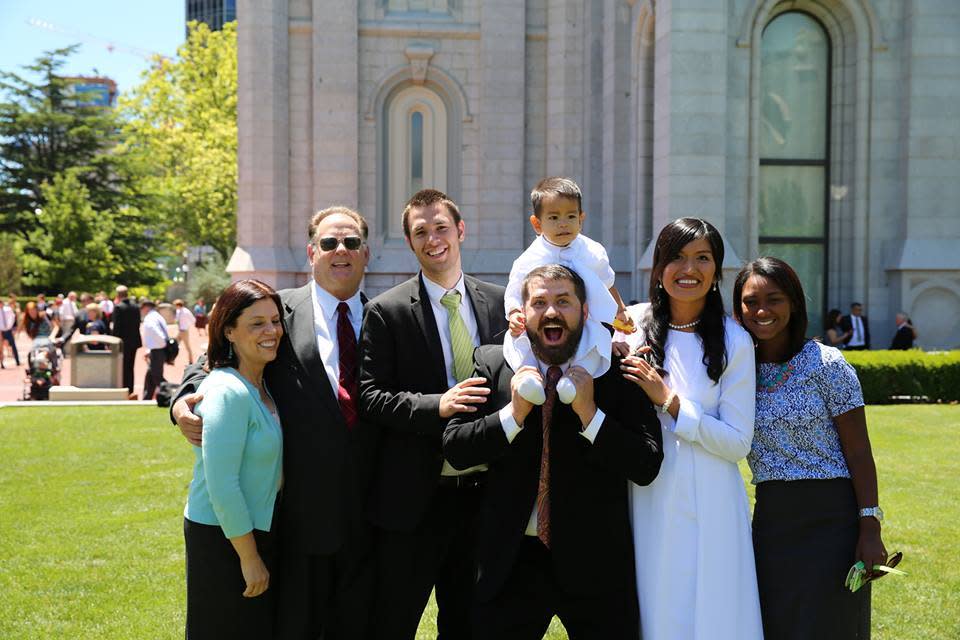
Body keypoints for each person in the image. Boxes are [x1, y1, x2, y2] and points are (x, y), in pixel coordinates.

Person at [174, 206, 379, 639]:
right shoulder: (276, 313)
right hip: (295, 523)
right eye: (329, 243)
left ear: (366, 252)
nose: (340, 251)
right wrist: (181, 403)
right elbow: (210, 362)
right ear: (311, 252)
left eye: (351, 242)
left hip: (370, 517)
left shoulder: (386, 316)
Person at [443, 265, 663, 639]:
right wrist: (513, 416)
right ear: (521, 312)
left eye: (564, 301)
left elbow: (646, 463)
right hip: (511, 561)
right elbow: (457, 449)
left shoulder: (615, 369)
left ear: (585, 310)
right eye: (539, 302)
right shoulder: (495, 364)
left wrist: (589, 414)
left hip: (595, 562)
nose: (551, 312)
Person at [359, 188, 508, 639]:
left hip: (484, 498)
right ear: (410, 242)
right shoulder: (386, 311)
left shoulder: (501, 304)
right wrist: (436, 405)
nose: (433, 239)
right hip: (415, 499)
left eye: (441, 228)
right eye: (420, 232)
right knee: (394, 621)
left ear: (460, 231)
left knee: (470, 624)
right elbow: (370, 396)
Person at [616, 218, 763, 640]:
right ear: (658, 267)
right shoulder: (630, 324)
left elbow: (738, 442)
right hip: (646, 490)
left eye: (702, 258)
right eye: (677, 257)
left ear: (717, 271)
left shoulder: (735, 340)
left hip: (712, 496)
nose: (689, 269)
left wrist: (671, 402)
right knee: (657, 602)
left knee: (713, 610)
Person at [733, 257, 887, 640]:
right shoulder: (735, 370)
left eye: (774, 299)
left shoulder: (827, 364)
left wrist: (870, 528)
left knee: (832, 626)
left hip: (832, 522)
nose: (762, 310)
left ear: (795, 304)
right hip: (772, 522)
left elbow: (859, 453)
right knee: (777, 625)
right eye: (751, 301)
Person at [183, 279, 284, 638]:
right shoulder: (227, 391)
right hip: (224, 537)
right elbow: (221, 483)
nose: (271, 331)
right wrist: (249, 557)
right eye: (256, 324)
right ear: (229, 331)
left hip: (252, 531)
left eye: (275, 320)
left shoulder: (262, 383)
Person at [505, 177, 631, 406]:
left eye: (571, 217)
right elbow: (514, 290)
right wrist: (514, 313)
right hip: (543, 326)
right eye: (553, 218)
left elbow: (608, 282)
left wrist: (620, 310)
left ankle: (574, 381)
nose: (563, 224)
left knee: (594, 342)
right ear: (537, 223)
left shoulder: (593, 251)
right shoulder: (529, 259)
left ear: (581, 219)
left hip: (584, 320)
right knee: (521, 342)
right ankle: (529, 377)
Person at [111, 286, 143, 396]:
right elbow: (138, 322)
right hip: (134, 341)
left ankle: (123, 389)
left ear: (118, 295)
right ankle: (130, 390)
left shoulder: (118, 307)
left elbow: (116, 327)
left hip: (122, 342)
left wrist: (113, 341)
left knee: (122, 367)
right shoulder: (136, 306)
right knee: (130, 366)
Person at [140, 299, 169, 400]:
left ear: (146, 307)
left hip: (157, 350)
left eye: (142, 308)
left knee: (157, 377)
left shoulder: (150, 318)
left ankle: (171, 393)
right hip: (157, 349)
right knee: (151, 376)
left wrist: (159, 345)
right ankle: (146, 397)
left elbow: (156, 333)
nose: (141, 311)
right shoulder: (157, 316)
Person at [174, 299, 196, 364]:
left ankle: (191, 361)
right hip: (180, 331)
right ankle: (171, 359)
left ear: (178, 305)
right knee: (174, 344)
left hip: (185, 331)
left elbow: (193, 319)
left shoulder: (186, 311)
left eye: (176, 305)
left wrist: (187, 325)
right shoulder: (178, 311)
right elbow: (177, 319)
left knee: (187, 346)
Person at [1, 295, 19, 368]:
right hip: (1, 331)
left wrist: (10, 327)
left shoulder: (7, 309)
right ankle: (2, 363)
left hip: (8, 330)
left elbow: (12, 317)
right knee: (1, 348)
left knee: (13, 346)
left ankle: (17, 361)